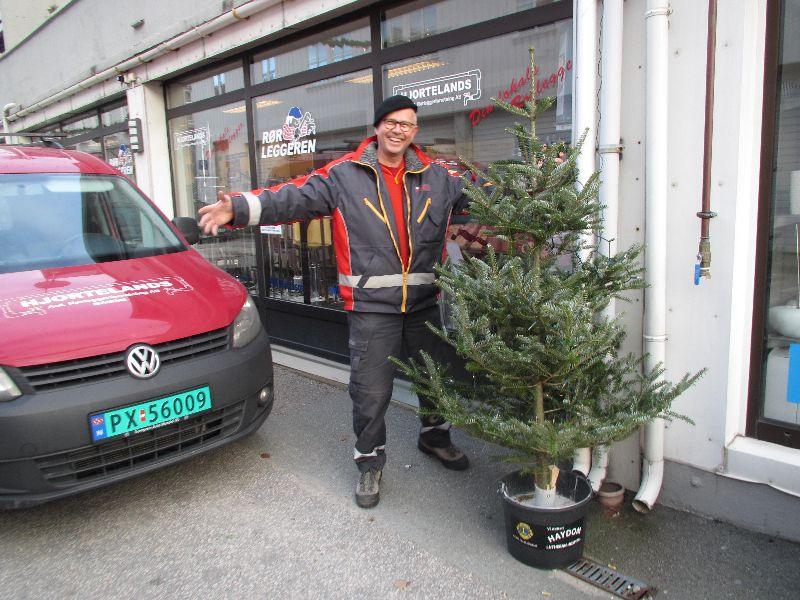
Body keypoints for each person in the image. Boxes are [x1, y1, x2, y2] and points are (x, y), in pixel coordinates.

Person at [199, 95, 473, 509]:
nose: (400, 130)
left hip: (422, 303)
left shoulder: (438, 178)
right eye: (392, 122)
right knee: (370, 390)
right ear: (378, 126)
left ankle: (435, 436)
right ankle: (369, 463)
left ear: (415, 131)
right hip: (370, 308)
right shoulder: (345, 175)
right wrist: (237, 208)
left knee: (435, 377)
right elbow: (291, 198)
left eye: (408, 124)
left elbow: (484, 195)